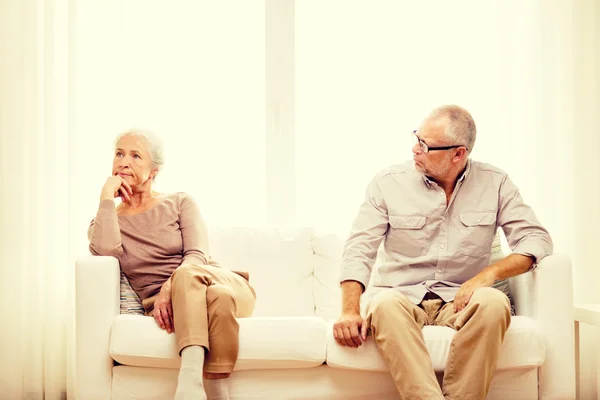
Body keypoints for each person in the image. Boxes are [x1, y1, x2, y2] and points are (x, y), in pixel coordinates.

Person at [333, 105, 553, 400]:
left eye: (425, 145)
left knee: (494, 301)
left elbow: (536, 239)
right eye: (416, 138)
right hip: (400, 297)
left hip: (459, 298)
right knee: (383, 304)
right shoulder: (387, 183)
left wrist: (487, 276)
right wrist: (349, 309)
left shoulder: (496, 182)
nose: (415, 149)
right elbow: (360, 247)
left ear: (458, 154)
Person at [88, 129, 256, 400]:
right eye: (119, 153)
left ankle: (188, 383)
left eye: (135, 155)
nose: (124, 162)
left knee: (200, 279)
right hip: (190, 304)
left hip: (221, 282)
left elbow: (197, 255)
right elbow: (105, 251)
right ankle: (217, 391)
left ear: (154, 169)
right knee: (218, 298)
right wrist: (106, 197)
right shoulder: (105, 221)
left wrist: (171, 285)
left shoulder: (179, 202)